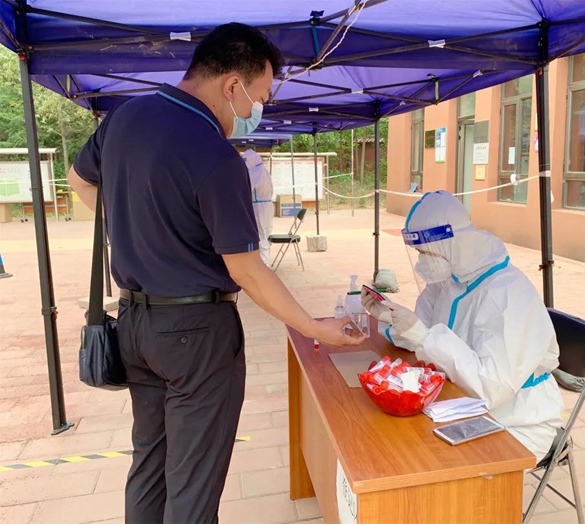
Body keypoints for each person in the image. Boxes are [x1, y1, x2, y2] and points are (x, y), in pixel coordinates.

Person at [68, 23, 363, 524]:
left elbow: (79, 180)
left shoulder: (124, 118)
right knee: (194, 481)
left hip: (134, 325)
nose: (255, 112)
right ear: (232, 85)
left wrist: (137, 226)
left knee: (150, 463)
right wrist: (314, 327)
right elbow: (247, 270)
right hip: (197, 335)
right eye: (259, 98)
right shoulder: (216, 156)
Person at [362, 191, 564, 462]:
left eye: (424, 252)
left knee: (422, 460)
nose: (421, 261)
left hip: (517, 420)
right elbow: (422, 333)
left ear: (448, 245)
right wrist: (390, 316)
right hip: (463, 403)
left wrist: (421, 335)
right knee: (396, 442)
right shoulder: (450, 279)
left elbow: (491, 388)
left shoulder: (506, 294)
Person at [242, 149, 274, 266]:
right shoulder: (263, 170)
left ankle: (264, 264)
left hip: (259, 207)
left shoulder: (255, 172)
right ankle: (264, 262)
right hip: (266, 206)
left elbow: (246, 189)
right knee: (265, 233)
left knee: (260, 236)